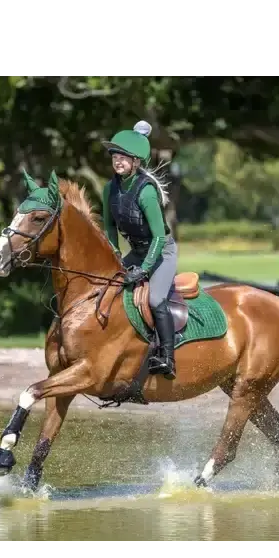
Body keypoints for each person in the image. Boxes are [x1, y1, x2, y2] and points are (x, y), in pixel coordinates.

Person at [101, 120, 178, 379]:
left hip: (161, 251)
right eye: (115, 156)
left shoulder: (146, 192)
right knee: (109, 289)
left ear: (136, 162)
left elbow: (158, 236)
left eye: (123, 157)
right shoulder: (109, 189)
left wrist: (144, 270)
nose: (117, 161)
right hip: (136, 251)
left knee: (155, 299)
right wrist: (115, 258)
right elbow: (109, 229)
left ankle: (167, 357)